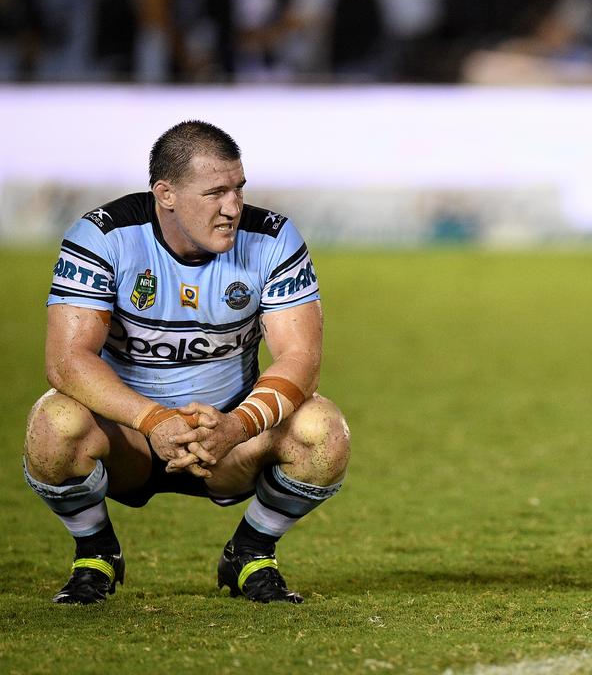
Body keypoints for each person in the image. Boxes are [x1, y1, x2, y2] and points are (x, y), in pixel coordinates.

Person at [25, 120, 349, 604]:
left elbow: (301, 357)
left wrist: (238, 425)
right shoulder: (103, 236)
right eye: (215, 192)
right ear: (166, 193)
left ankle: (251, 550)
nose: (233, 207)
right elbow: (67, 361)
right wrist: (152, 420)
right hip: (130, 437)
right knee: (52, 425)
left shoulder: (274, 237)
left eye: (239, 188)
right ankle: (95, 552)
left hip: (226, 439)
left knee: (324, 429)